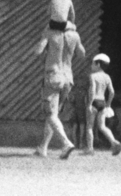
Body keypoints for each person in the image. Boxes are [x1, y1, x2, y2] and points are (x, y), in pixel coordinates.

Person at [30, 21, 82, 158]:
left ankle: (66, 144)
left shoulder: (50, 34)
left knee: (50, 114)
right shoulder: (75, 36)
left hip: (53, 76)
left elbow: (38, 51)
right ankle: (43, 148)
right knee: (54, 115)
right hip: (68, 78)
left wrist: (43, 38)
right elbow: (82, 54)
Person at [86, 53, 121, 155]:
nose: (91, 66)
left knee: (89, 126)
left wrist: (89, 104)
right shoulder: (107, 77)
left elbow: (92, 90)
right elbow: (112, 92)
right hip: (102, 103)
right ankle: (114, 142)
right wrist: (108, 104)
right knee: (102, 126)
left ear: (98, 64)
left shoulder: (93, 76)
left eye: (93, 64)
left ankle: (90, 149)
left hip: (94, 102)